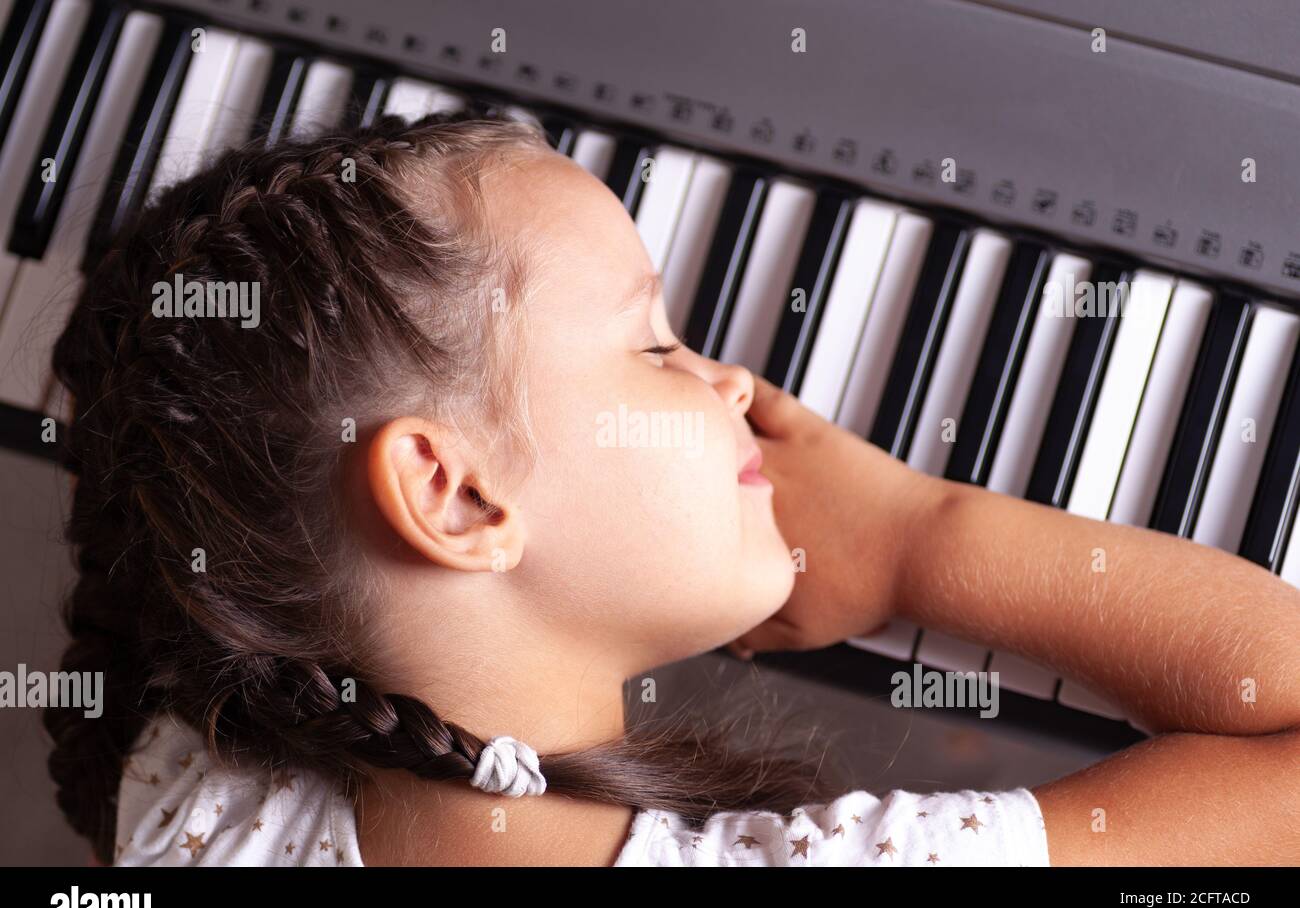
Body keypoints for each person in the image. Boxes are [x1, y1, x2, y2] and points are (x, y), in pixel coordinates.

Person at [46, 113, 1300, 867]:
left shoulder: (184, 798)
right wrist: (919, 538)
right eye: (655, 347)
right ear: (456, 495)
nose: (731, 378)